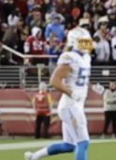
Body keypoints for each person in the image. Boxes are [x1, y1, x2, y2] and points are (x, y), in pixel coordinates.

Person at [26, 28, 97, 160]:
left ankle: (34, 157)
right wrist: (71, 93)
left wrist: (94, 86)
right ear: (74, 42)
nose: (86, 45)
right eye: (83, 42)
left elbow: (81, 78)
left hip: (76, 104)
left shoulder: (86, 57)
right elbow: (54, 81)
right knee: (83, 142)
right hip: (71, 105)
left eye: (87, 42)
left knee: (69, 145)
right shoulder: (69, 57)